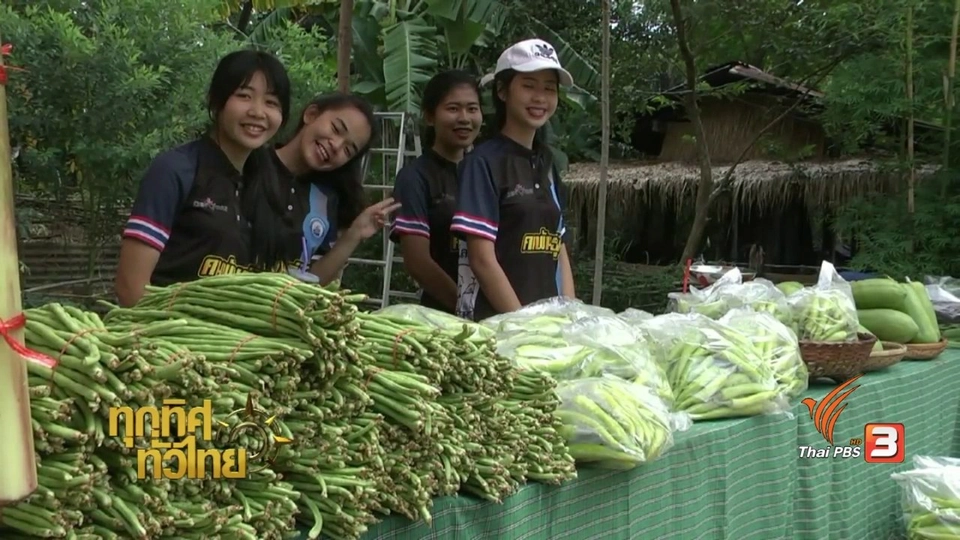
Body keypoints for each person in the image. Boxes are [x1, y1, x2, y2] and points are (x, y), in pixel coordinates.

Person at [115, 50, 291, 307]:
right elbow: (130, 286)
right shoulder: (175, 170)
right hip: (166, 336)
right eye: (244, 96)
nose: (258, 112)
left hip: (233, 341)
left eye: (271, 102)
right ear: (217, 101)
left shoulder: (266, 185)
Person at [450, 39, 576, 321]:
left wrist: (570, 315)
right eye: (529, 86)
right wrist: (522, 325)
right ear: (502, 91)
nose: (540, 98)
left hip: (546, 328)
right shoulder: (482, 162)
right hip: (496, 328)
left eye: (549, 88)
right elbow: (481, 259)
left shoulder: (547, 164)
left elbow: (559, 246)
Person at [251, 93, 400, 286]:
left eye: (348, 150)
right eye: (336, 129)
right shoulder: (248, 165)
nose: (336, 146)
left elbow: (313, 282)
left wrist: (354, 233)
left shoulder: (325, 202)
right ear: (311, 114)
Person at [390, 71, 483, 313]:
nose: (464, 118)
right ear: (430, 116)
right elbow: (418, 263)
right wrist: (466, 308)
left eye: (472, 109)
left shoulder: (487, 173)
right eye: (453, 109)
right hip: (443, 317)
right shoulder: (415, 178)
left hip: (497, 312)